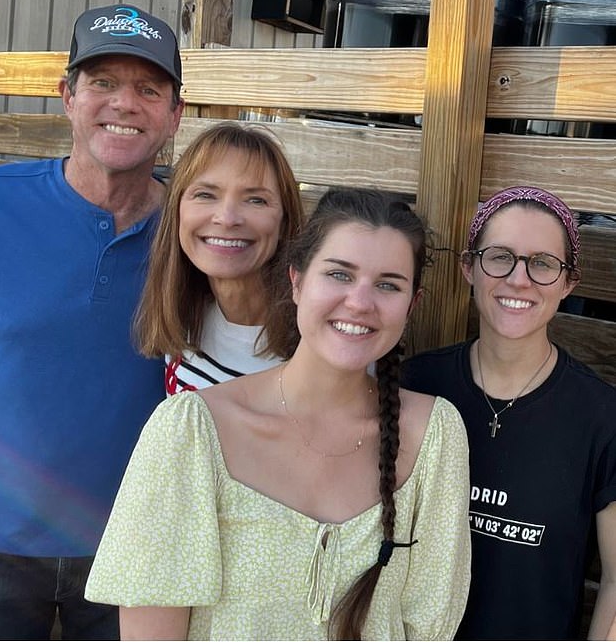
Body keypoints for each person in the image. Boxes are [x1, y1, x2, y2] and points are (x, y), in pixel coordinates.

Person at [85, 188, 471, 640]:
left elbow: (429, 625)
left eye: (388, 284)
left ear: (412, 305)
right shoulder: (193, 429)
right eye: (339, 275)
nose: (360, 302)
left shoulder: (434, 436)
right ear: (296, 280)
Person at [0, 4, 183, 640]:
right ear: (68, 97)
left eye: (148, 88)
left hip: (138, 551)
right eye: (103, 83)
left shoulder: (202, 230)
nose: (125, 103)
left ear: (174, 114)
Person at [401, 186, 616, 640]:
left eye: (542, 263)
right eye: (499, 256)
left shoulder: (602, 417)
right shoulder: (415, 385)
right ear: (469, 268)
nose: (519, 279)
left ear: (568, 282)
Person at [134, 121, 305, 392]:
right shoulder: (185, 311)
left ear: (284, 222)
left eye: (255, 200)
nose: (226, 218)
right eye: (205, 195)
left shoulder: (316, 344)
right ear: (177, 211)